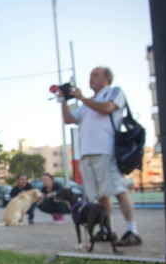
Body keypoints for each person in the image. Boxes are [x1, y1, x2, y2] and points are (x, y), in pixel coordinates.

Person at [61, 66, 142, 246]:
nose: (91, 78)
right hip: (87, 154)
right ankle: (108, 230)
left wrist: (81, 97)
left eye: (95, 75)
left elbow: (107, 108)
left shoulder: (113, 92)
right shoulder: (87, 104)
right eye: (90, 75)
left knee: (119, 191)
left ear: (107, 78)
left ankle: (132, 231)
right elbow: (69, 120)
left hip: (106, 151)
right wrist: (64, 99)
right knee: (100, 196)